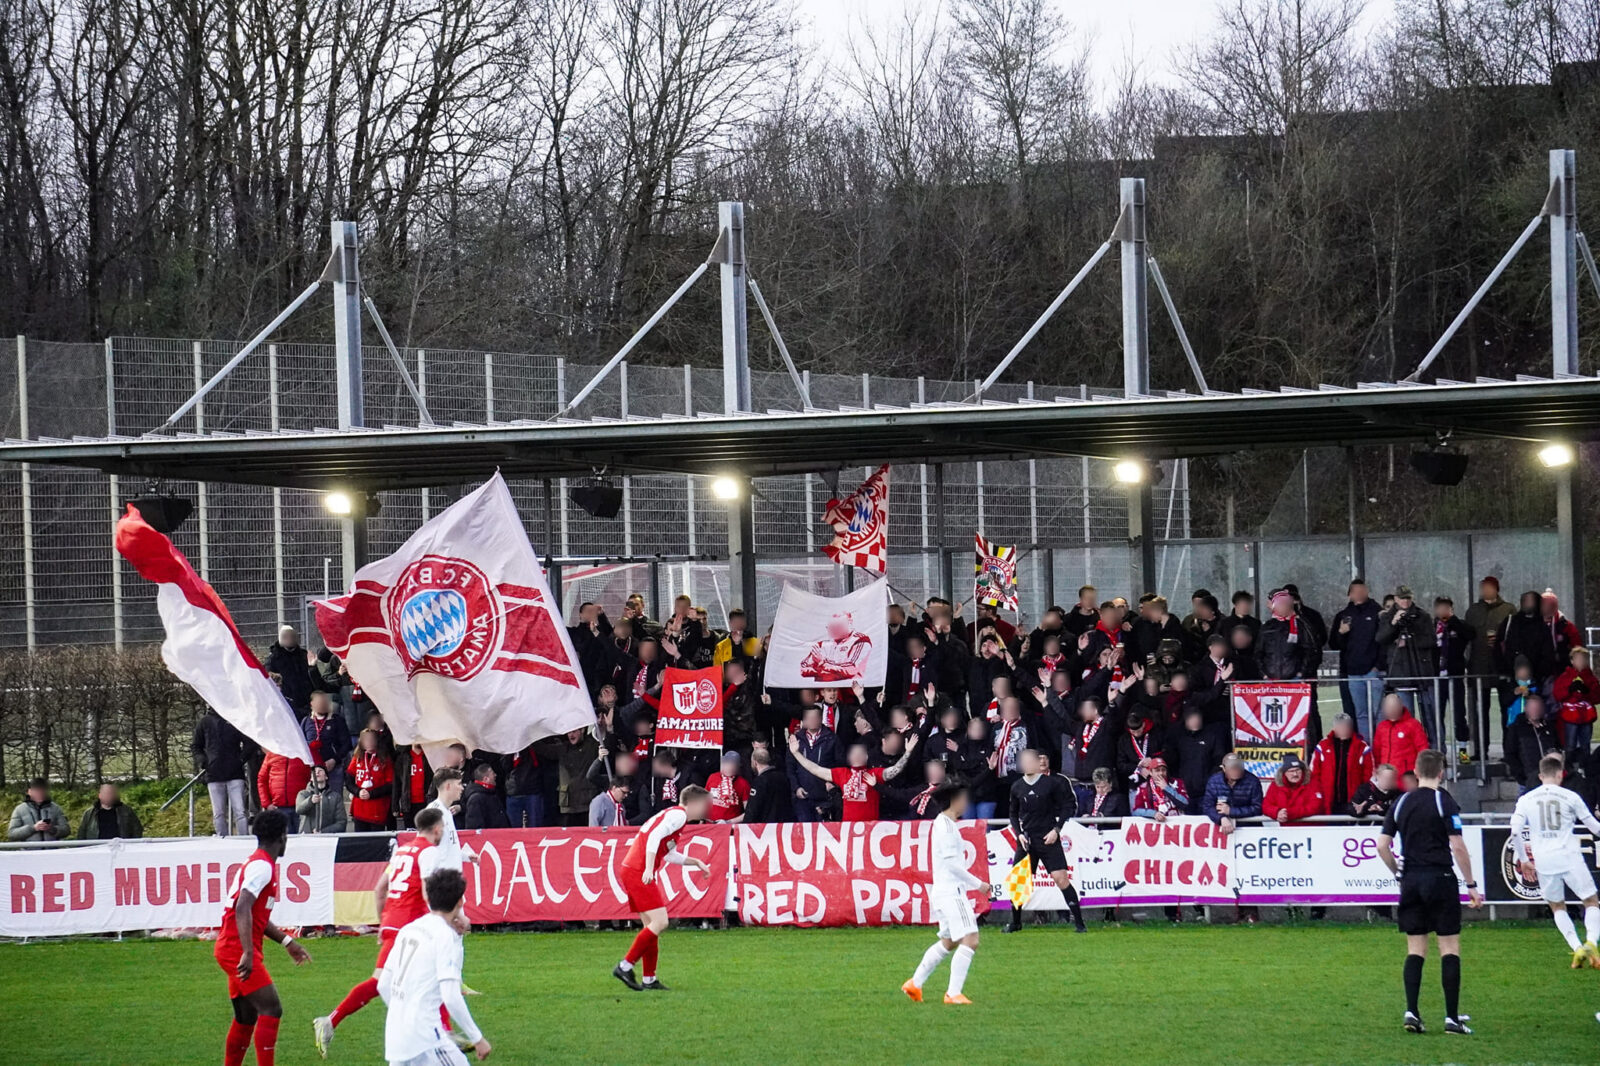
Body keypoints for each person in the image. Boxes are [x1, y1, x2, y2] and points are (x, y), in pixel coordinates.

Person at [314, 807, 451, 1054]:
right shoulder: (428, 852)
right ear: (437, 828)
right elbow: (426, 890)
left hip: (393, 922)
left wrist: (383, 923)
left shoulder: (401, 852)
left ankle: (445, 1032)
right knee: (386, 982)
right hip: (409, 925)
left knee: (421, 976)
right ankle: (330, 1021)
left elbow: (379, 889)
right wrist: (440, 921)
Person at [1377, 750, 1483, 1036]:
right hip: (1440, 878)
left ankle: (1412, 1012)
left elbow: (1382, 846)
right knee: (1449, 947)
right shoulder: (1443, 800)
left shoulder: (1401, 802)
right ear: (1441, 773)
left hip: (1411, 880)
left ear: (1414, 770)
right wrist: (1471, 884)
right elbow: (1457, 845)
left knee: (1415, 949)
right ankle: (1451, 1019)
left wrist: (1398, 873)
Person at [214, 810, 312, 1066]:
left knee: (246, 1018)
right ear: (282, 836)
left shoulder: (258, 863)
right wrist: (247, 951)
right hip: (237, 948)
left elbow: (256, 916)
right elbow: (242, 907)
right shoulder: (262, 867)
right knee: (271, 1008)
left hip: (233, 947)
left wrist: (288, 942)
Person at [377, 867, 491, 1066]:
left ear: (428, 898)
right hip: (425, 1037)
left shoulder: (408, 929)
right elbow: (451, 995)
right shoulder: (442, 935)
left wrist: (405, 1015)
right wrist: (477, 1039)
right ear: (460, 902)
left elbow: (383, 985)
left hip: (396, 1036)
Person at [612, 785, 713, 991]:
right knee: (660, 922)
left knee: (652, 926)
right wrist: (649, 868)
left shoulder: (673, 816)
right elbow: (653, 837)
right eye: (703, 805)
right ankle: (624, 966)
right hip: (638, 870)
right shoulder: (679, 816)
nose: (705, 810)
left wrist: (696, 862)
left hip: (632, 869)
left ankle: (649, 979)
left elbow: (668, 853)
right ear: (693, 803)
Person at [1509, 753, 1600, 968]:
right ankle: (1591, 942)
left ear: (1541, 775)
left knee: (1558, 907)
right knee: (1591, 901)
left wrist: (1524, 859)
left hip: (1545, 861)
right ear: (1560, 774)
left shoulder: (1526, 800)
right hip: (1569, 856)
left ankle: (1577, 948)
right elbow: (1594, 827)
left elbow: (1514, 832)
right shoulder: (1570, 796)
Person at [901, 782, 986, 1005]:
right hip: (951, 893)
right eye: (964, 798)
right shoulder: (946, 827)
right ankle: (953, 993)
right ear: (955, 800)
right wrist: (979, 884)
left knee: (949, 941)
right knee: (971, 939)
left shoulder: (943, 824)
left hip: (942, 892)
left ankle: (915, 983)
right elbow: (952, 865)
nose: (966, 803)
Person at [1004, 748, 1086, 934]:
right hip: (1027, 840)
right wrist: (1019, 834)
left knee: (1061, 878)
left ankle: (1079, 923)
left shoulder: (1052, 784)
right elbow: (1013, 813)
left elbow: (1068, 806)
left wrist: (1057, 829)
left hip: (1048, 838)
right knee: (1019, 882)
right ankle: (1015, 923)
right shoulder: (1017, 786)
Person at [787, 733, 919, 822]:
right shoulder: (842, 773)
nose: (856, 756)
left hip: (871, 829)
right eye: (853, 753)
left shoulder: (874, 773)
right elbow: (815, 769)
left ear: (866, 757)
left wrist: (908, 752)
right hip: (848, 829)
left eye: (859, 753)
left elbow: (895, 770)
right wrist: (796, 753)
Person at [1331, 579, 1383, 737]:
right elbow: (1333, 644)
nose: (1359, 594)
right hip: (1353, 672)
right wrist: (1341, 632)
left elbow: (1384, 641)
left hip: (1373, 671)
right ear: (1350, 595)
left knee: (1379, 712)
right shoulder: (1343, 615)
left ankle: (1382, 747)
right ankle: (1366, 746)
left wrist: (1378, 666)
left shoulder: (1377, 612)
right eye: (1356, 591)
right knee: (1360, 714)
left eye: (1363, 590)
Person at [195, 708, 256, 836]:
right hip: (214, 774)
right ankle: (222, 838)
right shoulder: (205, 722)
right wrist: (203, 762)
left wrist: (240, 760)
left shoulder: (234, 720)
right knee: (218, 813)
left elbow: (249, 743)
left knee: (239, 811)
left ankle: (243, 838)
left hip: (234, 773)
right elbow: (196, 746)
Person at [1309, 712, 1373, 816]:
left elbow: (1369, 775)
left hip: (1353, 801)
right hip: (1328, 801)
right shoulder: (1323, 746)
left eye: (1347, 727)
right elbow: (1314, 773)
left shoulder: (1361, 747)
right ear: (1335, 728)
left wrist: (1363, 797)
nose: (1344, 730)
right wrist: (1318, 795)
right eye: (1341, 727)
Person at [1504, 694, 1562, 791]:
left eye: (1538, 708)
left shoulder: (1550, 727)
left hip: (1550, 780)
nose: (1535, 711)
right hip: (1528, 781)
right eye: (1533, 708)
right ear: (1526, 708)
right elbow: (1510, 754)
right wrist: (1521, 775)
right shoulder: (1516, 728)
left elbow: (1558, 748)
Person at [1552, 647, 1600, 762]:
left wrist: (1587, 692)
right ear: (1572, 661)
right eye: (1578, 659)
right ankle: (1569, 769)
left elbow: (1597, 697)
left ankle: (1585, 768)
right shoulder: (1565, 677)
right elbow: (1557, 695)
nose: (1580, 661)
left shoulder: (1591, 678)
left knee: (1585, 745)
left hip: (1586, 718)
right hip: (1570, 718)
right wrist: (1569, 690)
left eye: (1583, 659)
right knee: (1570, 745)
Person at [1202, 754, 1263, 837]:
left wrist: (1231, 811)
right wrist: (1221, 818)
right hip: (1222, 829)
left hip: (1249, 828)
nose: (1236, 770)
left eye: (1239, 767)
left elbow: (1258, 808)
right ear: (1224, 768)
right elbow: (1207, 807)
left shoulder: (1253, 781)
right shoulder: (1214, 781)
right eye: (1232, 768)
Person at [1372, 692, 1429, 778]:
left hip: (1406, 778)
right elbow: (1377, 751)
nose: (1391, 710)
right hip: (1386, 778)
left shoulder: (1413, 725)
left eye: (1394, 707)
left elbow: (1423, 749)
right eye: (1388, 707)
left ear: (1400, 706)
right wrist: (1377, 769)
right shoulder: (1381, 727)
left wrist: (1419, 770)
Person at [347, 729, 394, 832]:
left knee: (375, 841)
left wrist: (372, 794)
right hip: (359, 809)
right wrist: (358, 791)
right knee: (360, 841)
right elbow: (348, 781)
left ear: (377, 741)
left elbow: (390, 785)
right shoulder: (357, 757)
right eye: (366, 739)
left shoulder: (384, 759)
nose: (369, 742)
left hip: (377, 809)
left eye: (371, 739)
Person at [265, 625, 317, 718]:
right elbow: (269, 677)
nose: (290, 639)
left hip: (306, 702)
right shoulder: (273, 658)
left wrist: (312, 667)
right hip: (286, 702)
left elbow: (316, 680)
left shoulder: (304, 655)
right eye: (286, 636)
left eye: (292, 636)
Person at [258, 749, 310, 834]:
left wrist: (308, 803)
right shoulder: (271, 754)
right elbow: (262, 780)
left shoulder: (303, 753)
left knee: (302, 841)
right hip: (278, 808)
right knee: (282, 842)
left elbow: (312, 777)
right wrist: (266, 804)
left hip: (301, 809)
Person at [1263, 754, 1326, 822]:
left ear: (1302, 770)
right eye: (1291, 771)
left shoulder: (1313, 783)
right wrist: (1277, 812)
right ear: (1284, 773)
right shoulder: (1276, 785)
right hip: (1286, 830)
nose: (1295, 774)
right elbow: (1266, 805)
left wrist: (1289, 813)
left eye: (1298, 770)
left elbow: (1315, 807)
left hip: (1310, 829)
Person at [743, 747, 795, 824]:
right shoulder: (783, 777)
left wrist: (745, 827)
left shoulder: (759, 782)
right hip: (784, 826)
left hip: (765, 828)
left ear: (754, 762)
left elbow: (752, 809)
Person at [76, 782, 142, 840]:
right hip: (96, 849)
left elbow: (137, 829)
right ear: (99, 795)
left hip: (120, 849)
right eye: (106, 793)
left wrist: (131, 846)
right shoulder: (89, 813)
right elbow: (81, 834)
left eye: (111, 793)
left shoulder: (126, 811)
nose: (109, 796)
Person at [1131, 756, 1188, 821]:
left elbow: (1185, 803)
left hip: (1177, 824)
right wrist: (1153, 814)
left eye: (1163, 770)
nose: (1161, 773)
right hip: (1157, 827)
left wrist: (1167, 788)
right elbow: (1136, 811)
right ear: (1151, 772)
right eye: (1157, 770)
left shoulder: (1177, 782)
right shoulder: (1143, 788)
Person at [296, 766, 347, 835]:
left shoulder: (336, 797)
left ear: (326, 776)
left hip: (327, 838)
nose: (317, 772)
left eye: (320, 770)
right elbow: (299, 809)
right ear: (311, 778)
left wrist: (323, 832)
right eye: (314, 771)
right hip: (306, 836)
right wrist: (310, 801)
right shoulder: (303, 794)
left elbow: (341, 823)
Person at [462, 764, 509, 830]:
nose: (495, 775)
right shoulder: (476, 799)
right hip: (490, 839)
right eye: (493, 774)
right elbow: (474, 827)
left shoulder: (491, 793)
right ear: (486, 779)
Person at [706, 752, 750, 822]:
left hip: (730, 827)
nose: (730, 767)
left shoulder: (743, 784)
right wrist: (702, 820)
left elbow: (748, 813)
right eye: (728, 763)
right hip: (710, 824)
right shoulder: (712, 777)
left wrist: (729, 822)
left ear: (738, 766)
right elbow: (704, 801)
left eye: (733, 764)